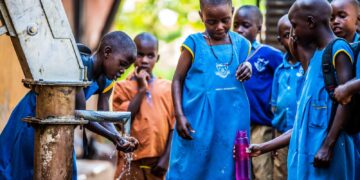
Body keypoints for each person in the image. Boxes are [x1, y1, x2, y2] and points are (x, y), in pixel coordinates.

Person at [0, 31, 138, 180]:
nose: (123, 71)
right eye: (122, 64)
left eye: (127, 67)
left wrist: (119, 137)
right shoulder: (77, 66)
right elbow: (80, 115)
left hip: (60, 125)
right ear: (107, 52)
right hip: (34, 116)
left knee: (64, 171)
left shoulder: (106, 81)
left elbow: (103, 117)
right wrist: (114, 138)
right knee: (18, 168)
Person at [248, 0, 355, 179]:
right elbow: (301, 124)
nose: (293, 34)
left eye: (294, 26)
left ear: (311, 22)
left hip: (327, 156)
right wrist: (264, 147)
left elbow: (347, 100)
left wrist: (327, 145)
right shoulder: (314, 61)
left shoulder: (338, 49)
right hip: (308, 159)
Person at [167, 0, 252, 179]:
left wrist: (249, 67)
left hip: (232, 122)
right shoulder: (194, 44)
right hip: (198, 120)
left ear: (233, 12)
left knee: (227, 167)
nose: (219, 27)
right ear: (201, 16)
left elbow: (246, 65)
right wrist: (179, 115)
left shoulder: (242, 44)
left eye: (225, 20)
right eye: (211, 21)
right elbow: (177, 80)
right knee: (191, 166)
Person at [112, 32, 175, 180]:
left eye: (150, 55)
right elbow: (123, 120)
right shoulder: (122, 87)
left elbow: (174, 126)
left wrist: (166, 159)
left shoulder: (167, 88)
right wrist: (141, 89)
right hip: (130, 162)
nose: (145, 60)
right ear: (132, 56)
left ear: (157, 58)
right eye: (140, 55)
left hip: (158, 163)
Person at [233, 5, 283, 180]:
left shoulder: (268, 54)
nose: (239, 30)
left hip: (261, 125)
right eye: (236, 25)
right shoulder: (230, 55)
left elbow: (285, 75)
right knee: (240, 171)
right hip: (237, 124)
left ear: (259, 28)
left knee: (262, 171)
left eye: (245, 25)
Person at [270, 14, 304, 180]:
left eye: (294, 34)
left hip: (302, 133)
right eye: (286, 35)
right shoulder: (279, 71)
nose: (291, 39)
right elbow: (274, 105)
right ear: (279, 40)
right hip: (282, 133)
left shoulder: (306, 67)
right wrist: (275, 138)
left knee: (300, 169)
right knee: (281, 170)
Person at [330, 1, 360, 179]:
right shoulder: (329, 49)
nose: (335, 21)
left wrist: (348, 87)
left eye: (342, 16)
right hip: (343, 127)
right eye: (331, 17)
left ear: (358, 21)